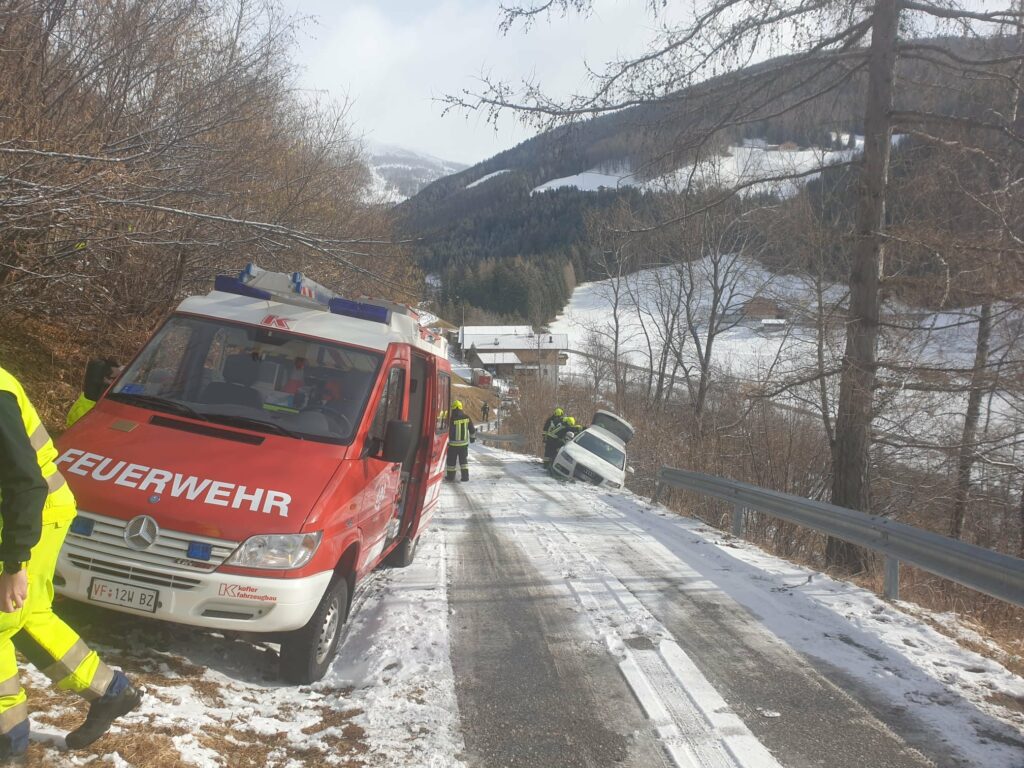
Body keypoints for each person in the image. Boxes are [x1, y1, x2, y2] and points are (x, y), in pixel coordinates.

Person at [0, 366, 141, 760]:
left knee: (2, 618)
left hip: (33, 512)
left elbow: (25, 484)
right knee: (28, 614)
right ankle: (111, 692)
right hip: (22, 510)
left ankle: (8, 746)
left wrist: (14, 564)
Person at [65, 358, 121, 428]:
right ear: (104, 379)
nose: (119, 381)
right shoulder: (82, 411)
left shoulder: (100, 400)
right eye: (116, 378)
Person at [445, 400, 476, 482]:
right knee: (463, 462)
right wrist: (472, 439)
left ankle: (450, 477)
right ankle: (465, 477)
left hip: (452, 446)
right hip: (463, 445)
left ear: (453, 408)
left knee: (451, 462)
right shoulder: (467, 417)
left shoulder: (450, 419)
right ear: (461, 408)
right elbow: (472, 430)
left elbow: (447, 430)